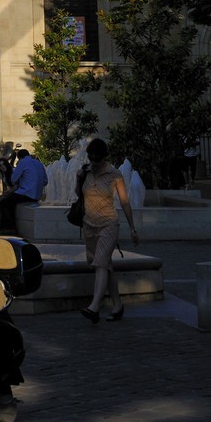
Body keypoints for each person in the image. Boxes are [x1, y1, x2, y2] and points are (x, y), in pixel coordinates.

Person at [76, 137, 139, 323]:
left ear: (104, 157)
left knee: (101, 264)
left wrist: (133, 228)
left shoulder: (115, 174)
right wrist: (79, 177)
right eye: (91, 158)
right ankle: (118, 305)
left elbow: (125, 202)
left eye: (97, 159)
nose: (94, 162)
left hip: (109, 224)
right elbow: (77, 195)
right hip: (89, 225)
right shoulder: (85, 172)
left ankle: (94, 307)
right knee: (105, 266)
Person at [0, 147, 48, 231]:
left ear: (19, 157)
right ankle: (1, 225)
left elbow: (13, 179)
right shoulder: (38, 163)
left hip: (26, 193)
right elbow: (45, 181)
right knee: (8, 201)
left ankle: (10, 227)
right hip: (37, 195)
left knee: (4, 203)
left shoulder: (23, 162)